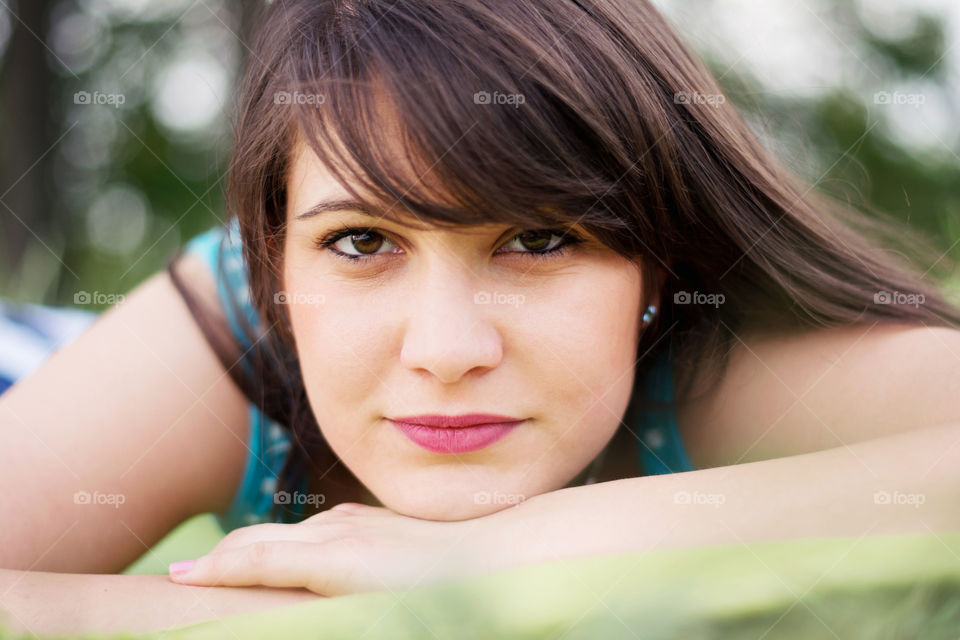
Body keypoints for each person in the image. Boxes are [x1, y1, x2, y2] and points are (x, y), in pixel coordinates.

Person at [3, 0, 960, 634]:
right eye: (362, 242)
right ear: (269, 259)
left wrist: (483, 557)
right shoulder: (229, 332)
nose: (449, 350)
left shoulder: (716, 357)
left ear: (658, 266)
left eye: (540, 242)